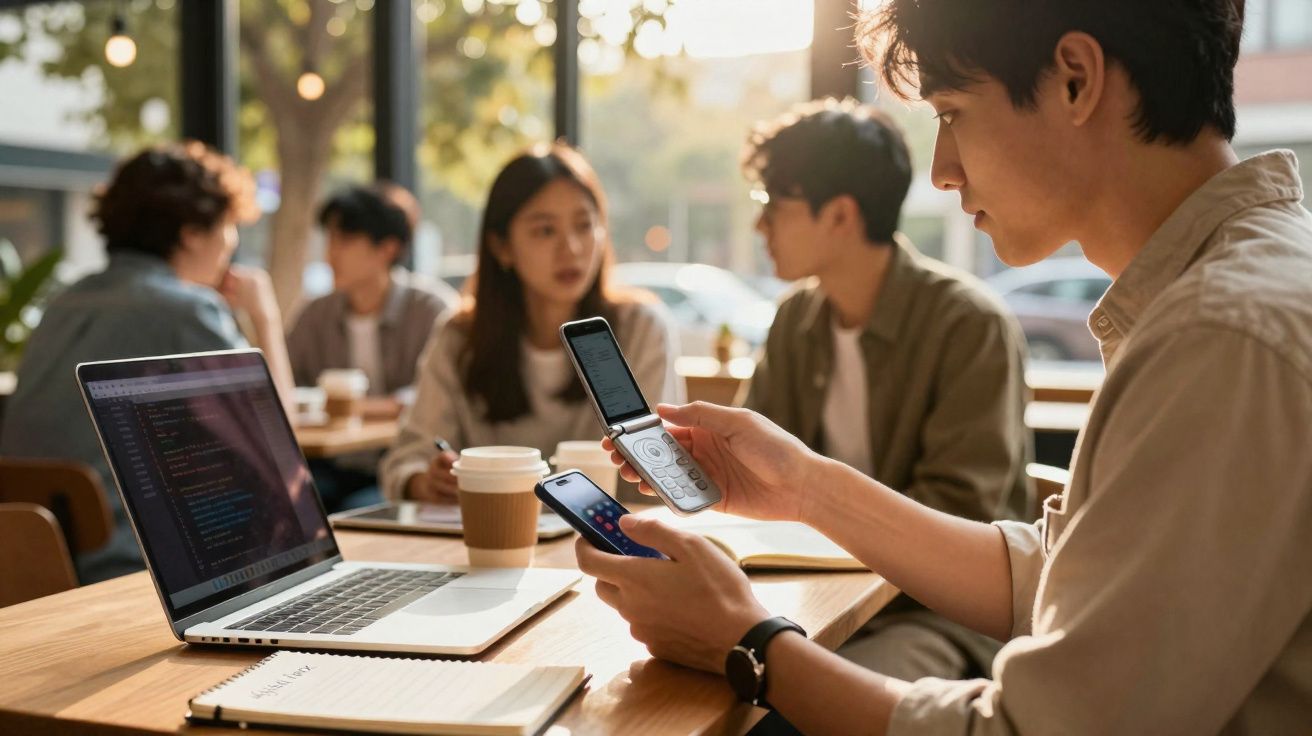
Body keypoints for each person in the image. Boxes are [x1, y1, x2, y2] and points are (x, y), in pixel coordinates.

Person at [576, 1, 1312, 733]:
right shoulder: (1229, 296)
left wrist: (748, 645)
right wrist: (803, 487)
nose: (941, 171)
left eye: (952, 113)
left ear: (1076, 80)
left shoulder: (1222, 336)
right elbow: (1055, 572)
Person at [741, 98, 1031, 681]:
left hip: (938, 616)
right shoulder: (796, 320)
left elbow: (960, 509)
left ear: (840, 216)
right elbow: (754, 476)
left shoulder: (968, 325)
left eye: (773, 204)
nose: (759, 225)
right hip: (812, 601)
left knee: (798, 694)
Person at [0, 141, 293, 584]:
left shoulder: (63, 304)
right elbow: (279, 449)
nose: (231, 243)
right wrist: (265, 317)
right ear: (191, 232)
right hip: (133, 568)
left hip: (31, 563)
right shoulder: (187, 310)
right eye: (229, 226)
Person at [379, 143, 681, 502]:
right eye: (545, 231)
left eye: (585, 225)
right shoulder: (462, 337)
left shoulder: (640, 329)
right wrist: (425, 482)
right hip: (493, 529)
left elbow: (656, 478)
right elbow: (407, 460)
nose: (571, 248)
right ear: (502, 247)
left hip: (607, 531)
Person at [287, 183, 458, 510]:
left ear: (387, 249)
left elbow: (437, 398)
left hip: (398, 465)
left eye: (345, 240)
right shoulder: (316, 314)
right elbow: (287, 386)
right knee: (288, 501)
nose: (331, 254)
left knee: (354, 508)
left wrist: (358, 407)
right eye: (330, 239)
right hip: (330, 464)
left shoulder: (430, 310)